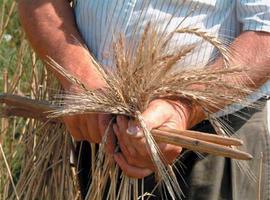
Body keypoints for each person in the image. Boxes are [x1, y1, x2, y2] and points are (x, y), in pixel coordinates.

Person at [18, 0, 270, 199]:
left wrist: (182, 108)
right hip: (95, 127)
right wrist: (80, 79)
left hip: (209, 139)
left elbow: (265, 32)